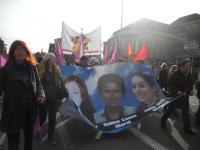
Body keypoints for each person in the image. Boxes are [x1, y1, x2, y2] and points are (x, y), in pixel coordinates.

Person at [0, 40, 45, 150]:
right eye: (17, 49)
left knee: (28, 139)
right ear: (13, 52)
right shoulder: (5, 70)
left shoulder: (33, 68)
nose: (20, 51)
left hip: (30, 110)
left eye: (22, 49)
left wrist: (41, 95)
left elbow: (39, 85)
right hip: (12, 111)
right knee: (13, 142)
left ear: (26, 52)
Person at [38, 52, 68, 144]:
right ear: (48, 59)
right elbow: (38, 83)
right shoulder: (41, 68)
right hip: (44, 97)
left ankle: (51, 137)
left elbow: (61, 82)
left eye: (55, 58)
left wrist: (65, 91)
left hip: (54, 97)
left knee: (52, 117)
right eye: (53, 58)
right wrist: (39, 94)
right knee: (42, 116)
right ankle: (38, 128)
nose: (55, 60)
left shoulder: (57, 69)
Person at [161, 60, 196, 135]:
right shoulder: (175, 73)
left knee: (185, 113)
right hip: (175, 96)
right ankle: (163, 120)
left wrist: (190, 91)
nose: (188, 67)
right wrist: (177, 91)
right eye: (187, 66)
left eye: (189, 66)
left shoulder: (189, 74)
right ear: (182, 66)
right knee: (170, 110)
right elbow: (170, 83)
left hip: (184, 97)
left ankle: (187, 129)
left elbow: (190, 84)